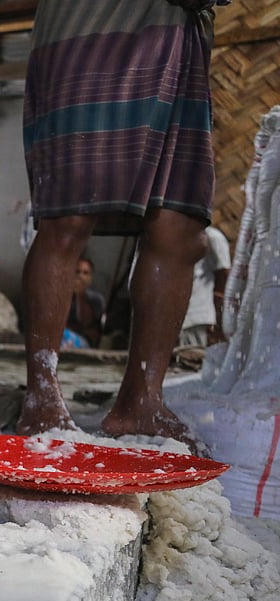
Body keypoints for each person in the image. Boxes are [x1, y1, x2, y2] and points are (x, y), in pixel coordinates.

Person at [16, 0, 220, 448]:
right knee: (69, 214)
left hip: (180, 34)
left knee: (181, 227)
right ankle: (41, 400)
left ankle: (141, 402)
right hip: (92, 21)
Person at [179, 224, 232, 347]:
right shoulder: (176, 233)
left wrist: (217, 311)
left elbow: (223, 274)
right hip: (176, 316)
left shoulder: (213, 237)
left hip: (196, 315)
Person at [63, 255, 105, 348]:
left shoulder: (96, 299)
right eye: (77, 272)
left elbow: (86, 323)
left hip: (83, 341)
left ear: (90, 277)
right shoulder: (64, 296)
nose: (80, 276)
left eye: (85, 273)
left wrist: (80, 294)